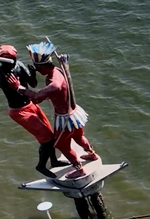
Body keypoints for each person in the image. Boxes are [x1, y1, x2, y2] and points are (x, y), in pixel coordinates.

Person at [25, 41, 97, 179]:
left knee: (62, 146)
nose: (37, 70)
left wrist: (19, 88)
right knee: (79, 137)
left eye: (37, 67)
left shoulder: (54, 84)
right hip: (75, 113)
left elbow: (36, 98)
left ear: (43, 66)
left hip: (66, 120)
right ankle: (92, 154)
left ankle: (79, 169)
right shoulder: (59, 70)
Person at [0, 44, 60, 177]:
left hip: (31, 104)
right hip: (19, 111)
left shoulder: (19, 66)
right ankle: (41, 166)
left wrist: (32, 75)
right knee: (47, 140)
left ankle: (54, 161)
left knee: (51, 135)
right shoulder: (1, 73)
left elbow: (33, 85)